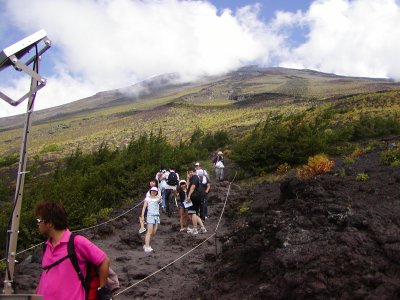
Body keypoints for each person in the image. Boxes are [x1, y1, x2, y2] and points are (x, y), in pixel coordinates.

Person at [35, 201, 111, 300]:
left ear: (49, 223)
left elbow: (104, 261)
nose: (37, 224)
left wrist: (101, 290)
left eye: (39, 220)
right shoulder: (47, 246)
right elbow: (45, 277)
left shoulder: (77, 242)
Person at [186, 168, 207, 235]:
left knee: (192, 213)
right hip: (196, 198)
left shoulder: (195, 177)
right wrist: (188, 179)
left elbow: (193, 187)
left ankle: (195, 229)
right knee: (195, 213)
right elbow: (188, 186)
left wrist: (188, 196)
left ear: (195, 172)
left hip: (194, 198)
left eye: (191, 172)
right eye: (189, 172)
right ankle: (202, 228)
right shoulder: (192, 178)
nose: (190, 173)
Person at [141, 187, 161, 253]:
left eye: (155, 191)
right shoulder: (147, 199)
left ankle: (148, 244)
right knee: (149, 231)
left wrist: (159, 197)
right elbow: (144, 208)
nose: (153, 192)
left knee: (154, 232)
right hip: (150, 216)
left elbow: (159, 201)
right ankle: (146, 246)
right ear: (150, 191)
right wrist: (142, 216)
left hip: (156, 216)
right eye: (152, 191)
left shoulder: (158, 199)